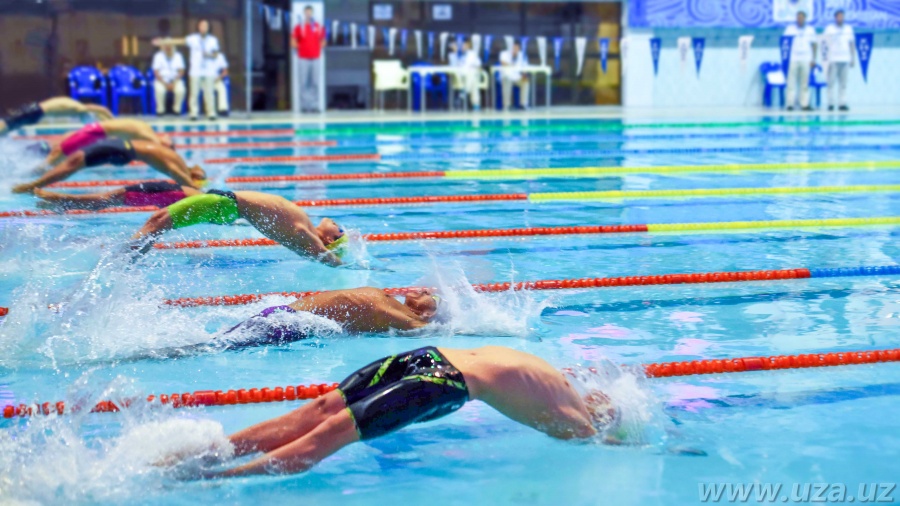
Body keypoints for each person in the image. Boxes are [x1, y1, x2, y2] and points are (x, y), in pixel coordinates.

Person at [202, 345, 620, 477]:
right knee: (325, 422)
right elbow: (604, 442)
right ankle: (210, 466)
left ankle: (208, 466)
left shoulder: (561, 391)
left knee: (325, 421)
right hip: (440, 371)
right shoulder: (574, 419)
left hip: (435, 366)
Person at [130, 190, 345, 266]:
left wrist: (345, 264)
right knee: (158, 224)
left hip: (226, 204)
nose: (338, 225)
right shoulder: (307, 230)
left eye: (340, 232)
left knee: (158, 221)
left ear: (329, 240)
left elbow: (319, 252)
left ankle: (123, 259)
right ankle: (129, 259)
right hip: (227, 204)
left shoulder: (308, 236)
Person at [220, 286, 448, 347]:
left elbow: (432, 331)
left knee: (217, 345)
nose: (426, 290)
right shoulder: (395, 306)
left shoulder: (408, 320)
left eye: (432, 297)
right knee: (219, 342)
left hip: (289, 324)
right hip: (285, 316)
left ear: (429, 313)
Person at [12, 139, 206, 194]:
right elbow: (183, 180)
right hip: (121, 149)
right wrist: (198, 188)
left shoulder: (177, 159)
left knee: (73, 163)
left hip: (121, 148)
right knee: (73, 163)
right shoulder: (177, 163)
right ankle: (34, 184)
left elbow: (183, 178)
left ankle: (33, 181)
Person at [31, 119, 174, 173]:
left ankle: (34, 168)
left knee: (59, 152)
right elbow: (161, 155)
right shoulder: (150, 136)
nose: (170, 138)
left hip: (97, 131)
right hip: (95, 133)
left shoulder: (148, 130)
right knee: (57, 156)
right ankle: (30, 174)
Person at [155, 20, 221, 121]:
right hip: (195, 70)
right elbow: (180, 41)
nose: (203, 27)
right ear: (198, 27)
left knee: (209, 93)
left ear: (208, 28)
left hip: (209, 70)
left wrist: (209, 55)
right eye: (201, 25)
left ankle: (211, 113)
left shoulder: (213, 40)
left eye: (205, 26)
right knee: (194, 93)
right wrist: (163, 42)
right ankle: (193, 113)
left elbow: (216, 54)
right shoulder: (193, 38)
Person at [32, 182, 201, 211]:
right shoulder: (202, 195)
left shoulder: (200, 193)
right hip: (163, 192)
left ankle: (60, 203)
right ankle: (57, 199)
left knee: (102, 202)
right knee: (102, 200)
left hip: (165, 192)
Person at [0, 97, 113, 136]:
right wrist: (113, 121)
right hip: (35, 111)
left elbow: (100, 112)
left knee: (8, 127)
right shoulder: (80, 109)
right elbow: (103, 110)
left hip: (36, 111)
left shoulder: (75, 105)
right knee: (7, 125)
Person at [291, 5, 326, 113]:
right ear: (304, 13)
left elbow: (324, 40)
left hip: (315, 58)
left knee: (315, 82)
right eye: (307, 12)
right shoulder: (299, 27)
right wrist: (302, 47)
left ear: (312, 13)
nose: (308, 14)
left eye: (310, 12)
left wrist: (316, 47)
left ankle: (314, 105)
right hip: (303, 58)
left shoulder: (318, 27)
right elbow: (292, 41)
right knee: (303, 82)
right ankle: (305, 106)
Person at [783, 11, 817, 111]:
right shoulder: (790, 29)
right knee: (791, 82)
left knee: (804, 83)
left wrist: (813, 59)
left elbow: (814, 45)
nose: (800, 19)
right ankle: (790, 104)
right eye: (798, 18)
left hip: (806, 59)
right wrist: (785, 59)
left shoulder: (810, 30)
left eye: (802, 18)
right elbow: (784, 43)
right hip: (793, 58)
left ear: (805, 19)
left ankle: (804, 104)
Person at [824, 10, 855, 112]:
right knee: (831, 83)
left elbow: (851, 44)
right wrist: (826, 60)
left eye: (842, 16)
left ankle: (842, 103)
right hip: (833, 59)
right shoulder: (829, 29)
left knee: (843, 84)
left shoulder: (848, 29)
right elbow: (824, 44)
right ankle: (830, 103)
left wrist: (852, 58)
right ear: (835, 18)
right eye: (839, 16)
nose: (840, 18)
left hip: (845, 59)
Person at [151, 44, 187, 116]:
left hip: (175, 80)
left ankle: (177, 109)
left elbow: (181, 71)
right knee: (159, 90)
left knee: (181, 90)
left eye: (170, 46)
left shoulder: (178, 56)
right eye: (166, 46)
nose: (168, 48)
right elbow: (156, 72)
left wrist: (174, 83)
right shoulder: (158, 56)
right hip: (162, 80)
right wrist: (165, 84)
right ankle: (160, 110)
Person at [451, 39, 483, 111]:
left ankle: (465, 93)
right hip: (460, 76)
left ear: (468, 45)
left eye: (464, 45)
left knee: (473, 79)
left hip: (470, 75)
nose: (462, 47)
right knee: (473, 80)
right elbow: (454, 65)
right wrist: (455, 52)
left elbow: (479, 65)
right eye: (462, 45)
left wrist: (475, 69)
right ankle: (474, 103)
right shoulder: (458, 55)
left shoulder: (472, 54)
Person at [499, 41, 530, 111]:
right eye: (514, 48)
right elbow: (503, 63)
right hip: (507, 76)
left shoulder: (522, 55)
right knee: (506, 81)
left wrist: (524, 74)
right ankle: (507, 105)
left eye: (517, 48)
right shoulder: (504, 53)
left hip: (517, 77)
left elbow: (525, 67)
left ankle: (523, 104)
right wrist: (511, 64)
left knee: (525, 81)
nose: (515, 50)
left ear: (519, 49)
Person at [212, 52, 230, 116]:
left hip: (217, 79)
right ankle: (210, 110)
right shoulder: (204, 56)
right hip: (206, 80)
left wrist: (219, 78)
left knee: (222, 89)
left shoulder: (220, 56)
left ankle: (222, 109)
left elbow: (225, 71)